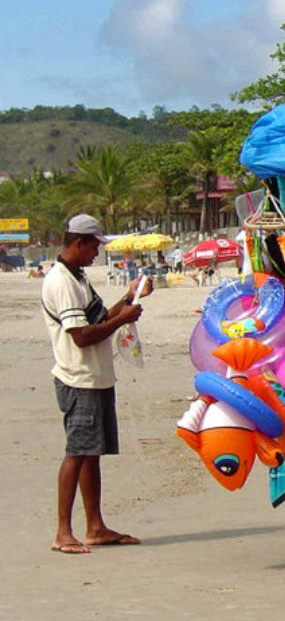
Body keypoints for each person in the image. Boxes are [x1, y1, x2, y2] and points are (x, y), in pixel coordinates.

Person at [41, 214, 153, 554]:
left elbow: (100, 319)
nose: (96, 254)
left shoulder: (78, 277)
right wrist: (123, 319)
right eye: (93, 247)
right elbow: (81, 336)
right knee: (77, 452)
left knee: (91, 454)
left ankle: (95, 526)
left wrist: (129, 297)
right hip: (79, 379)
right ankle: (63, 532)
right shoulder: (61, 281)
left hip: (95, 377)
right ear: (78, 243)